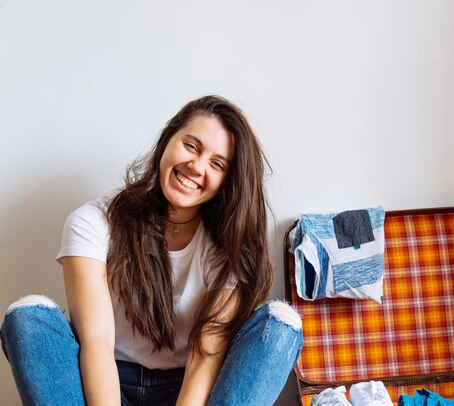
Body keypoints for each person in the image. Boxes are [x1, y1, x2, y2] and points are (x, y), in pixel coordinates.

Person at [0, 95, 304, 405]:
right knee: (27, 315)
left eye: (217, 164)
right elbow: (97, 340)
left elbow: (205, 355)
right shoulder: (92, 223)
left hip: (187, 389)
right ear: (167, 140)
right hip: (104, 384)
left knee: (281, 323)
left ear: (228, 181)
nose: (196, 167)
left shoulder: (228, 247)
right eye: (191, 146)